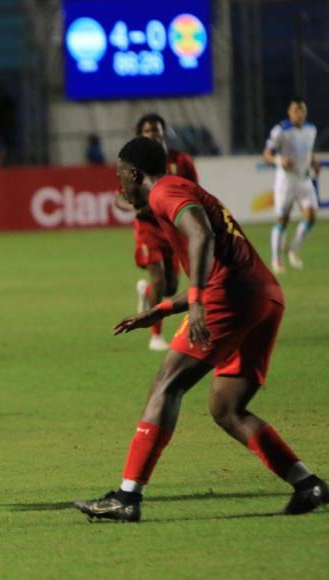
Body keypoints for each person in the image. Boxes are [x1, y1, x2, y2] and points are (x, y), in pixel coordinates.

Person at [73, 137, 327, 523]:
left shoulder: (165, 192)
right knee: (226, 406)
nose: (119, 187)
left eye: (121, 177)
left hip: (233, 298)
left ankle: (127, 496)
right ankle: (308, 484)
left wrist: (194, 302)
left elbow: (202, 235)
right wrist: (162, 308)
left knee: (166, 383)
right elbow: (218, 261)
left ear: (136, 174)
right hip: (264, 295)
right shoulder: (179, 189)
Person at [132, 113, 198, 351]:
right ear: (140, 135)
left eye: (157, 129)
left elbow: (194, 189)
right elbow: (121, 198)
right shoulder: (132, 164)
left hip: (172, 229)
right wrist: (136, 204)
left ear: (164, 132)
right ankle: (156, 337)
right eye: (148, 130)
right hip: (148, 230)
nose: (153, 134)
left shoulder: (180, 161)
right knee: (159, 278)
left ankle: (146, 291)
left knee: (170, 288)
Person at [263, 97, 320, 273]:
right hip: (286, 180)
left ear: (306, 112)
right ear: (289, 112)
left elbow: (307, 152)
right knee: (283, 219)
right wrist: (279, 159)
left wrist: (314, 162)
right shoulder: (280, 130)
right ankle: (276, 260)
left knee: (311, 217)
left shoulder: (311, 129)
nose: (299, 113)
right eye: (296, 110)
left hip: (304, 179)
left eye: (302, 110)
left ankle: (292, 250)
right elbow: (266, 154)